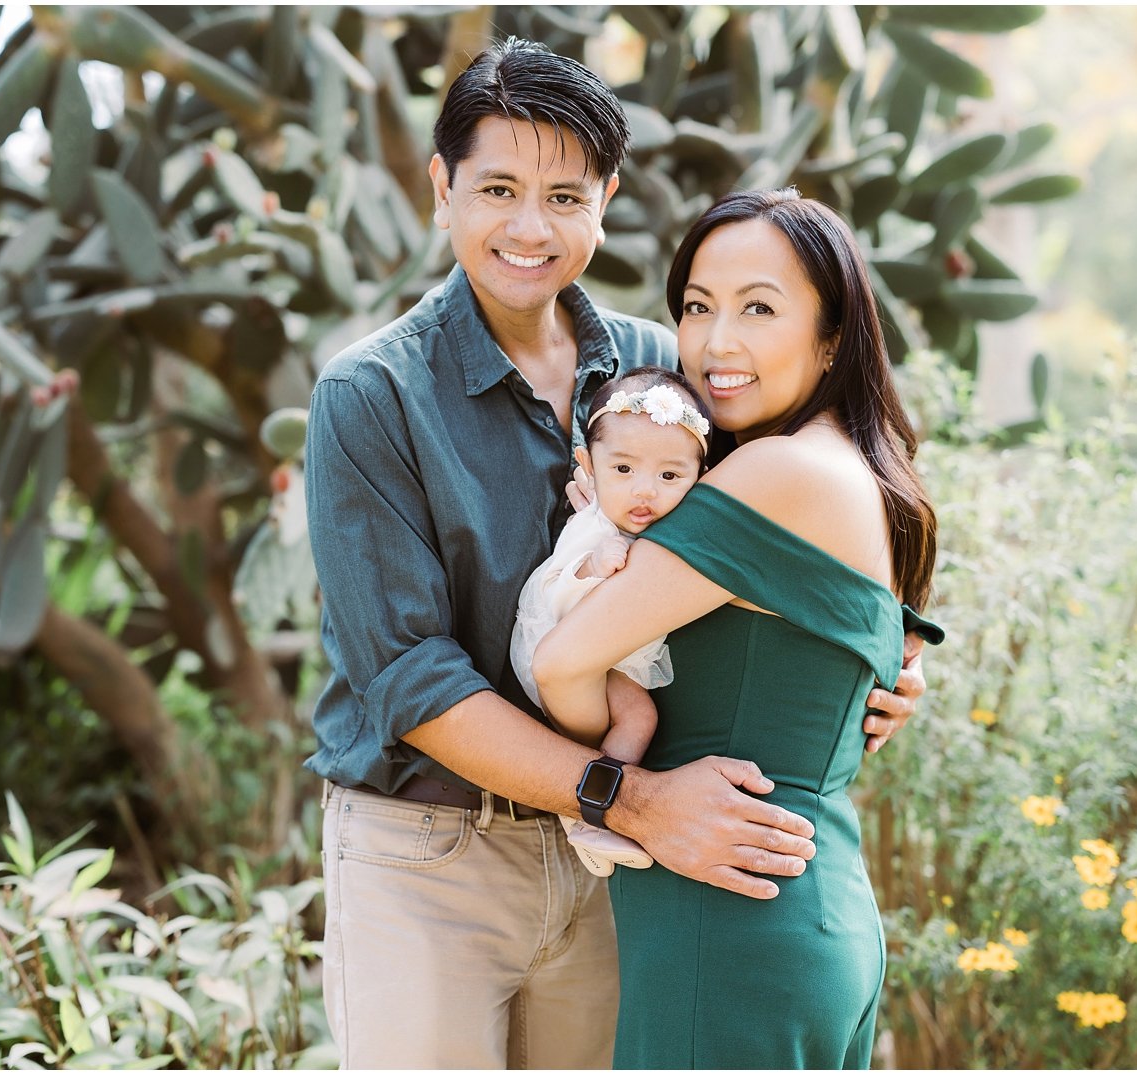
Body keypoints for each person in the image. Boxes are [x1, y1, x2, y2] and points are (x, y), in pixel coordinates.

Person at [305, 37, 928, 1070]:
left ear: (605, 198)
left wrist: (882, 660)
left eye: (562, 194)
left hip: (622, 872)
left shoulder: (666, 368)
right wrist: (628, 795)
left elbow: (789, 545)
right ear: (440, 187)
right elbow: (407, 675)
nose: (526, 226)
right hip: (435, 856)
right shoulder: (371, 396)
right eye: (497, 188)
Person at [533, 188, 945, 1069]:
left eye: (759, 308)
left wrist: (604, 773)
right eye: (696, 306)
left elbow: (565, 659)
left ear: (832, 337)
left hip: (726, 924)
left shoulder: (773, 472)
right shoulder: (843, 467)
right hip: (799, 908)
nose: (717, 343)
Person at [510, 366, 712, 876]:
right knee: (639, 718)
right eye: (623, 470)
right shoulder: (595, 526)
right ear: (588, 464)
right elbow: (552, 585)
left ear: (699, 479)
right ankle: (596, 811)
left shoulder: (649, 524)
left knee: (630, 720)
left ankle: (584, 815)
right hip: (557, 640)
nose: (644, 491)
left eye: (670, 476)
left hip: (601, 655)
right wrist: (593, 565)